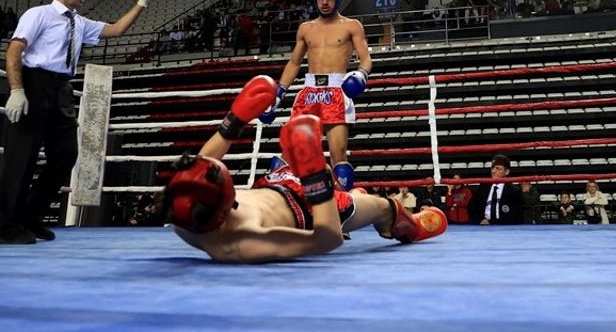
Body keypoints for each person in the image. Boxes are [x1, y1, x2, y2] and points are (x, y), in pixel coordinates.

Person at [162, 75, 446, 263]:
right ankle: (412, 225)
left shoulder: (183, 211)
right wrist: (314, 177)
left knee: (293, 145)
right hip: (313, 207)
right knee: (381, 207)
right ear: (226, 206)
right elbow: (326, 239)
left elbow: (201, 165)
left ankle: (353, 193)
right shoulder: (244, 243)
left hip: (275, 183)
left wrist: (233, 122)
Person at [0, 0, 161, 245]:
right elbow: (14, 50)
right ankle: (6, 227)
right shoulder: (39, 14)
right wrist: (16, 89)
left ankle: (29, 218)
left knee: (66, 154)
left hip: (62, 88)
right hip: (35, 83)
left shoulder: (80, 23)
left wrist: (141, 5)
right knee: (21, 156)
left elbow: (116, 29)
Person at [262, 0, 373, 192]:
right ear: (315, 0)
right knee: (292, 149)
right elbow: (294, 63)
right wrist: (279, 93)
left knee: (338, 154)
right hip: (309, 92)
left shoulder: (351, 26)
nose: (324, 3)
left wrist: (361, 74)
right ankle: (288, 204)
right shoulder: (305, 28)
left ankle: (342, 215)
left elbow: (366, 58)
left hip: (336, 91)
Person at [469, 155, 524, 225]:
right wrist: (480, 220)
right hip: (483, 227)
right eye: (492, 168)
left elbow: (517, 215)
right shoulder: (482, 187)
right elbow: (472, 208)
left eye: (498, 168)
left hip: (505, 228)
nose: (494, 171)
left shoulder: (514, 191)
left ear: (506, 172)